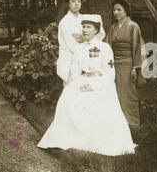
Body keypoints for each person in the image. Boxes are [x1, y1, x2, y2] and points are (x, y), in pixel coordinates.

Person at [38, 14, 137, 156]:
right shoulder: (79, 48)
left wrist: (95, 86)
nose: (84, 30)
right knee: (67, 96)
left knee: (98, 99)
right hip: (82, 80)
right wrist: (79, 84)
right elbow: (75, 70)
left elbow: (109, 72)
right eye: (83, 26)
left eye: (88, 27)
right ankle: (65, 138)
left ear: (96, 30)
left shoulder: (105, 47)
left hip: (100, 82)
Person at [105, 0, 143, 127]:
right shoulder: (112, 28)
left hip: (128, 64)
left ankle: (132, 122)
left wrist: (135, 67)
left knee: (128, 94)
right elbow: (107, 46)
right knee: (115, 93)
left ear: (126, 11)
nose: (116, 12)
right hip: (114, 64)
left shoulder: (133, 26)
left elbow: (138, 47)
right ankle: (118, 124)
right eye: (114, 10)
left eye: (119, 9)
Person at [56, 0, 106, 86]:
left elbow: (98, 34)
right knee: (72, 89)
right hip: (70, 59)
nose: (76, 4)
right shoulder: (65, 22)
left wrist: (82, 38)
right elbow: (71, 45)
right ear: (68, 3)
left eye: (79, 1)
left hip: (85, 57)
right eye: (73, 1)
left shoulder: (84, 18)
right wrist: (85, 39)